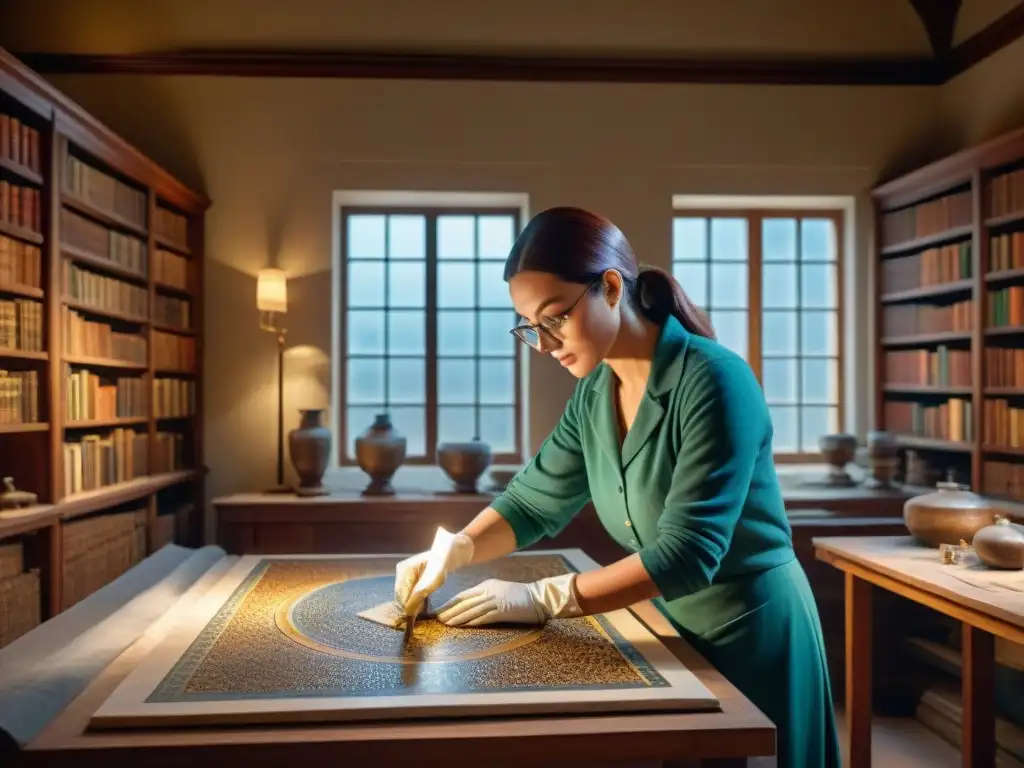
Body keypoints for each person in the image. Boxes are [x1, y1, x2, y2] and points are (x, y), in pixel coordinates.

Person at [394, 206, 842, 768]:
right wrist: (456, 547)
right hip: (671, 630)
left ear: (610, 287)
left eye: (554, 317)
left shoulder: (713, 380)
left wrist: (545, 598)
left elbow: (688, 553)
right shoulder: (594, 394)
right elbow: (534, 500)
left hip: (750, 631)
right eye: (529, 327)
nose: (545, 343)